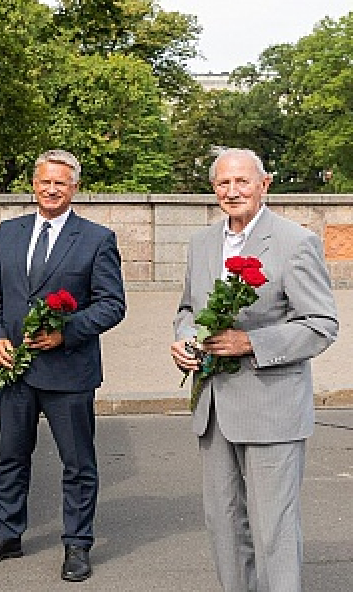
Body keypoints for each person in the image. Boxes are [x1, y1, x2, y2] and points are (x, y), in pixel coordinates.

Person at [169, 148, 338, 592]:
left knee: (273, 531)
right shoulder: (201, 243)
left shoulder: (296, 242)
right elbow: (188, 308)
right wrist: (185, 339)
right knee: (223, 524)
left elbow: (321, 325)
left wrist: (251, 343)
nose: (233, 191)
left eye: (243, 181)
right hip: (213, 408)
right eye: (224, 183)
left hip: (272, 406)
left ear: (264, 185)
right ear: (213, 189)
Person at [0, 149, 126, 582]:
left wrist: (65, 332)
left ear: (74, 186)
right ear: (33, 184)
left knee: (77, 463)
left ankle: (77, 544)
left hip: (69, 371)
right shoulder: (9, 232)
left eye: (60, 182)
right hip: (14, 368)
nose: (51, 189)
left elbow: (113, 305)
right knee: (11, 457)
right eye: (44, 181)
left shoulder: (96, 239)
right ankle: (7, 534)